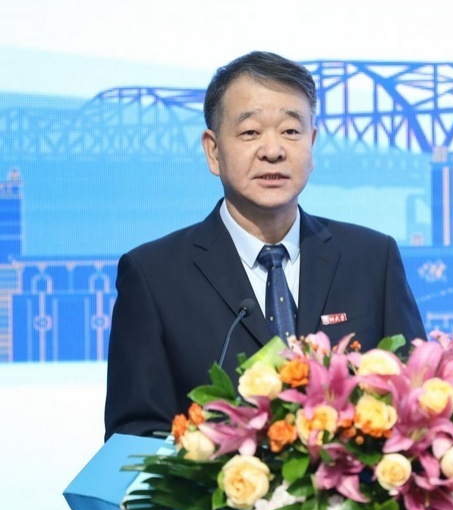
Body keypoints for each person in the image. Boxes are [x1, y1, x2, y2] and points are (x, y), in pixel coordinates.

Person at [104, 51, 426, 440]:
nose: (273, 150)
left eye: (290, 131)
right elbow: (134, 436)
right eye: (250, 132)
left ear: (312, 144)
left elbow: (418, 403)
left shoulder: (372, 259)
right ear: (213, 151)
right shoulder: (154, 276)